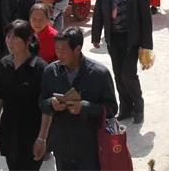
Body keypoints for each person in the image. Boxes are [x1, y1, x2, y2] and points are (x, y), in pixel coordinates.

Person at [35, 28, 118, 170]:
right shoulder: (51, 72)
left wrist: (85, 107)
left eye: (63, 50)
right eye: (57, 49)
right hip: (62, 148)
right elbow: (42, 103)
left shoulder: (99, 74)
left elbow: (111, 109)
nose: (59, 54)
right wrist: (52, 104)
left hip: (91, 149)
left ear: (77, 49)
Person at [91, 0, 153, 123]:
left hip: (131, 39)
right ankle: (125, 107)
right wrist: (96, 34)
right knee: (118, 75)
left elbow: (146, 19)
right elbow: (98, 11)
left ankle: (138, 107)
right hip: (113, 37)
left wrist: (147, 45)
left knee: (128, 74)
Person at [0, 21, 48, 170]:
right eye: (8, 36)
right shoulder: (4, 64)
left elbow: (47, 108)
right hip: (9, 131)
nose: (10, 41)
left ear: (28, 40)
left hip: (31, 133)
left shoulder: (41, 68)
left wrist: (42, 137)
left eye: (15, 38)